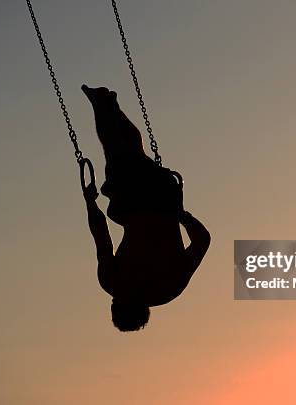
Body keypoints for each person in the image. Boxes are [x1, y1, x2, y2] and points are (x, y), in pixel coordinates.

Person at [81, 85, 211, 332]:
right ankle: (104, 102)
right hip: (142, 202)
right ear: (118, 305)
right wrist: (90, 204)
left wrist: (181, 215)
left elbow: (202, 240)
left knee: (124, 147)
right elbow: (101, 237)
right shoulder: (120, 283)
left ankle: (105, 103)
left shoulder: (167, 289)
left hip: (151, 201)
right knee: (122, 148)